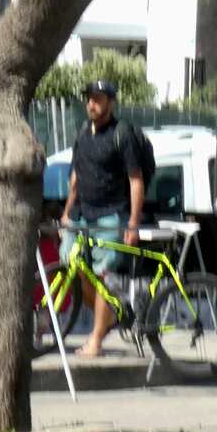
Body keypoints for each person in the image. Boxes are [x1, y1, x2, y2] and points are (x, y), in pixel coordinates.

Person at [58, 80, 147, 357]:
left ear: (111, 102)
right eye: (89, 98)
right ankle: (110, 315)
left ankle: (96, 340)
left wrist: (133, 223)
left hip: (110, 216)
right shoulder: (83, 132)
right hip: (81, 215)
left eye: (97, 99)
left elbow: (136, 180)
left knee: (103, 276)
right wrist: (66, 212)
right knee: (71, 264)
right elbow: (76, 176)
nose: (91, 104)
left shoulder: (122, 134)